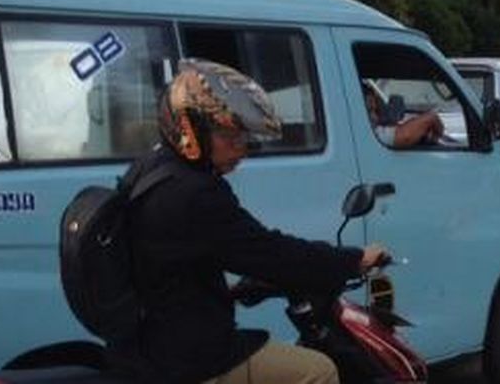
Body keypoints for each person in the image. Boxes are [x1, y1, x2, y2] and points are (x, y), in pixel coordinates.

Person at [128, 59, 389, 384]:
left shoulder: (152, 168)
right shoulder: (196, 194)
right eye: (229, 136)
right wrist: (354, 259)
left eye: (244, 138)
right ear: (189, 130)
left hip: (153, 338)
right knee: (318, 371)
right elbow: (271, 253)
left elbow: (211, 251)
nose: (242, 149)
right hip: (190, 356)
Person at [362, 81, 445, 149]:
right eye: (369, 111)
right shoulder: (364, 134)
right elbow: (406, 137)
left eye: (376, 111)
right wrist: (432, 119)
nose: (375, 117)